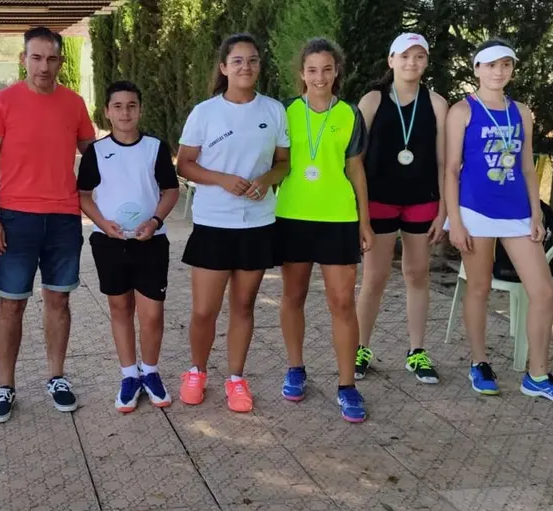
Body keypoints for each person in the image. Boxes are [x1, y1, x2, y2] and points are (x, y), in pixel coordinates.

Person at [444, 39, 553, 405]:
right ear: (477, 69)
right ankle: (479, 363)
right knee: (478, 288)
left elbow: (526, 167)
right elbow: (451, 169)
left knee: (544, 291)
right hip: (475, 212)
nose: (499, 71)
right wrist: (455, 221)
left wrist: (536, 214)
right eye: (491, 65)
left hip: (517, 212)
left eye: (505, 64)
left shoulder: (521, 111)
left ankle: (537, 376)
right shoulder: (462, 110)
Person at [0, 26, 96, 423]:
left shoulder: (74, 104)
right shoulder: (4, 102)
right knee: (11, 304)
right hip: (16, 218)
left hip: (64, 218)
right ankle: (5, 385)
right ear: (23, 59)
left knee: (58, 300)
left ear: (60, 61)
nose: (44, 66)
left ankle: (56, 377)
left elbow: (96, 156)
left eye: (51, 58)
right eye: (36, 58)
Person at [174, 34, 289, 412]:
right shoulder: (204, 112)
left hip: (257, 224)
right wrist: (222, 179)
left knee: (243, 306)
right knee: (204, 310)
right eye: (237, 61)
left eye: (252, 60)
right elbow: (185, 164)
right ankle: (197, 371)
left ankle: (236, 378)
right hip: (213, 224)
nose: (246, 67)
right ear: (224, 67)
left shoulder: (274, 110)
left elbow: (283, 163)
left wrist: (267, 180)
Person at [273, 38, 374, 423]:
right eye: (312, 70)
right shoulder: (285, 112)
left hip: (339, 219)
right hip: (293, 216)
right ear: (301, 73)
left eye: (327, 69)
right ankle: (295, 368)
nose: (319, 77)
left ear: (336, 72)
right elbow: (274, 162)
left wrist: (364, 221)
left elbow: (356, 170)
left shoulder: (349, 113)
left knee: (342, 303)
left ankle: (347, 386)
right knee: (292, 296)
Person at [78, 80, 179, 413]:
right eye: (118, 106)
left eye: (131, 106)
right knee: (120, 309)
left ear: (140, 110)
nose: (125, 113)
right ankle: (129, 375)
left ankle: (150, 371)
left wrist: (155, 221)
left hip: (151, 241)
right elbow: (84, 195)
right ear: (107, 112)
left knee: (152, 313)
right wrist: (102, 223)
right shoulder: (96, 152)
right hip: (110, 242)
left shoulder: (155, 148)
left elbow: (170, 190)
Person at [354, 33, 448, 384]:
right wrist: (360, 212)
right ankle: (360, 348)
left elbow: (443, 161)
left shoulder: (437, 103)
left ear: (426, 62)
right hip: (379, 199)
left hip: (422, 200)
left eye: (419, 56)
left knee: (417, 274)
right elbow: (355, 159)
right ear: (391, 60)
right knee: (375, 277)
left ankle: (417, 351)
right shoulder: (373, 100)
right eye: (405, 56)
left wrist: (443, 211)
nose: (412, 62)